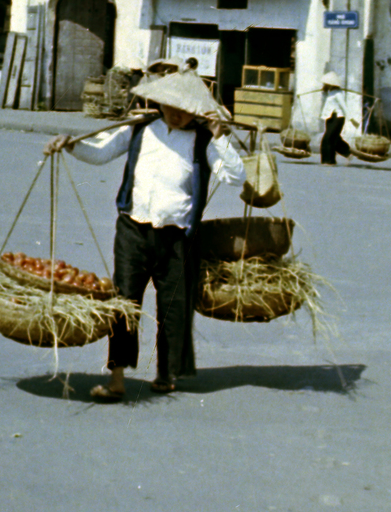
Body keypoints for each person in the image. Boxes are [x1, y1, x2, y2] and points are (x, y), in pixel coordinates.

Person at [45, 69, 246, 400]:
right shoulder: (139, 131)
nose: (177, 114)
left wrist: (220, 135)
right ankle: (117, 378)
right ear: (159, 103)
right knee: (124, 302)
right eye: (171, 107)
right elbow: (99, 153)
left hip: (178, 237)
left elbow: (236, 177)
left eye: (185, 109)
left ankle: (166, 373)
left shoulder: (203, 142)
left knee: (174, 306)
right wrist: (70, 145)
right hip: (133, 230)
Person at [319, 72, 352, 165]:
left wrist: (351, 118)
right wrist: (324, 92)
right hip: (330, 117)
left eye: (326, 84)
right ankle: (345, 153)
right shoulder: (330, 93)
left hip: (338, 117)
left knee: (329, 138)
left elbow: (344, 106)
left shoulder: (338, 93)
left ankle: (329, 160)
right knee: (332, 138)